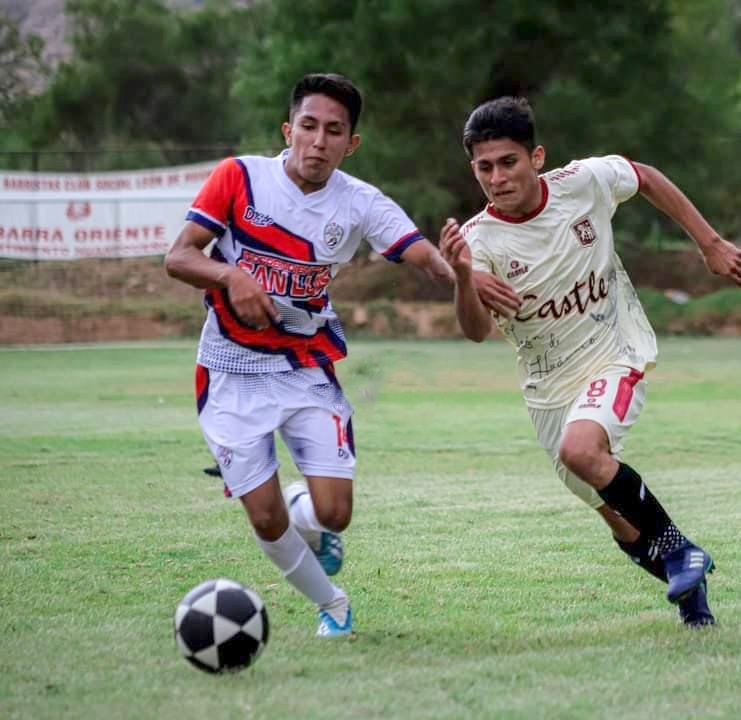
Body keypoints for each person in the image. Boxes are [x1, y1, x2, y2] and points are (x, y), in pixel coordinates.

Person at [165, 73, 473, 638]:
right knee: (262, 517)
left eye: (334, 131)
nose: (318, 141)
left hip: (304, 370)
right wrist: (230, 274)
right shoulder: (239, 178)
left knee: (335, 513)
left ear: (350, 143)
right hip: (229, 370)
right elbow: (179, 257)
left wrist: (465, 275)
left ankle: (305, 510)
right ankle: (333, 605)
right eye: (308, 126)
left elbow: (424, 256)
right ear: (289, 129)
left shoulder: (360, 203)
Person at [439, 96, 741, 627]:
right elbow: (474, 332)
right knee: (622, 522)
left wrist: (709, 242)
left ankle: (680, 551)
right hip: (546, 391)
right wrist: (463, 276)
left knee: (582, 450)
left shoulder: (583, 182)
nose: (497, 177)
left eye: (508, 162)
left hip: (613, 354)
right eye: (484, 167)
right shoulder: (476, 242)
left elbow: (643, 176)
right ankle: (694, 602)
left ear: (536, 157)